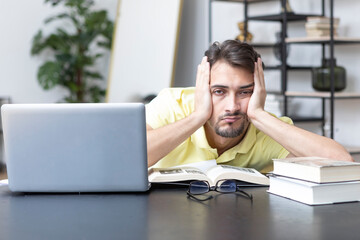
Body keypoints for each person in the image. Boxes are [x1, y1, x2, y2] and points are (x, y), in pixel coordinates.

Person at [145, 40, 353, 173]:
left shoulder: (266, 127)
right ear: (202, 89)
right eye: (219, 91)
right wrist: (198, 116)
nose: (232, 106)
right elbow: (129, 158)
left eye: (245, 92)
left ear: (259, 91)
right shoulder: (172, 103)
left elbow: (342, 162)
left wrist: (259, 115)